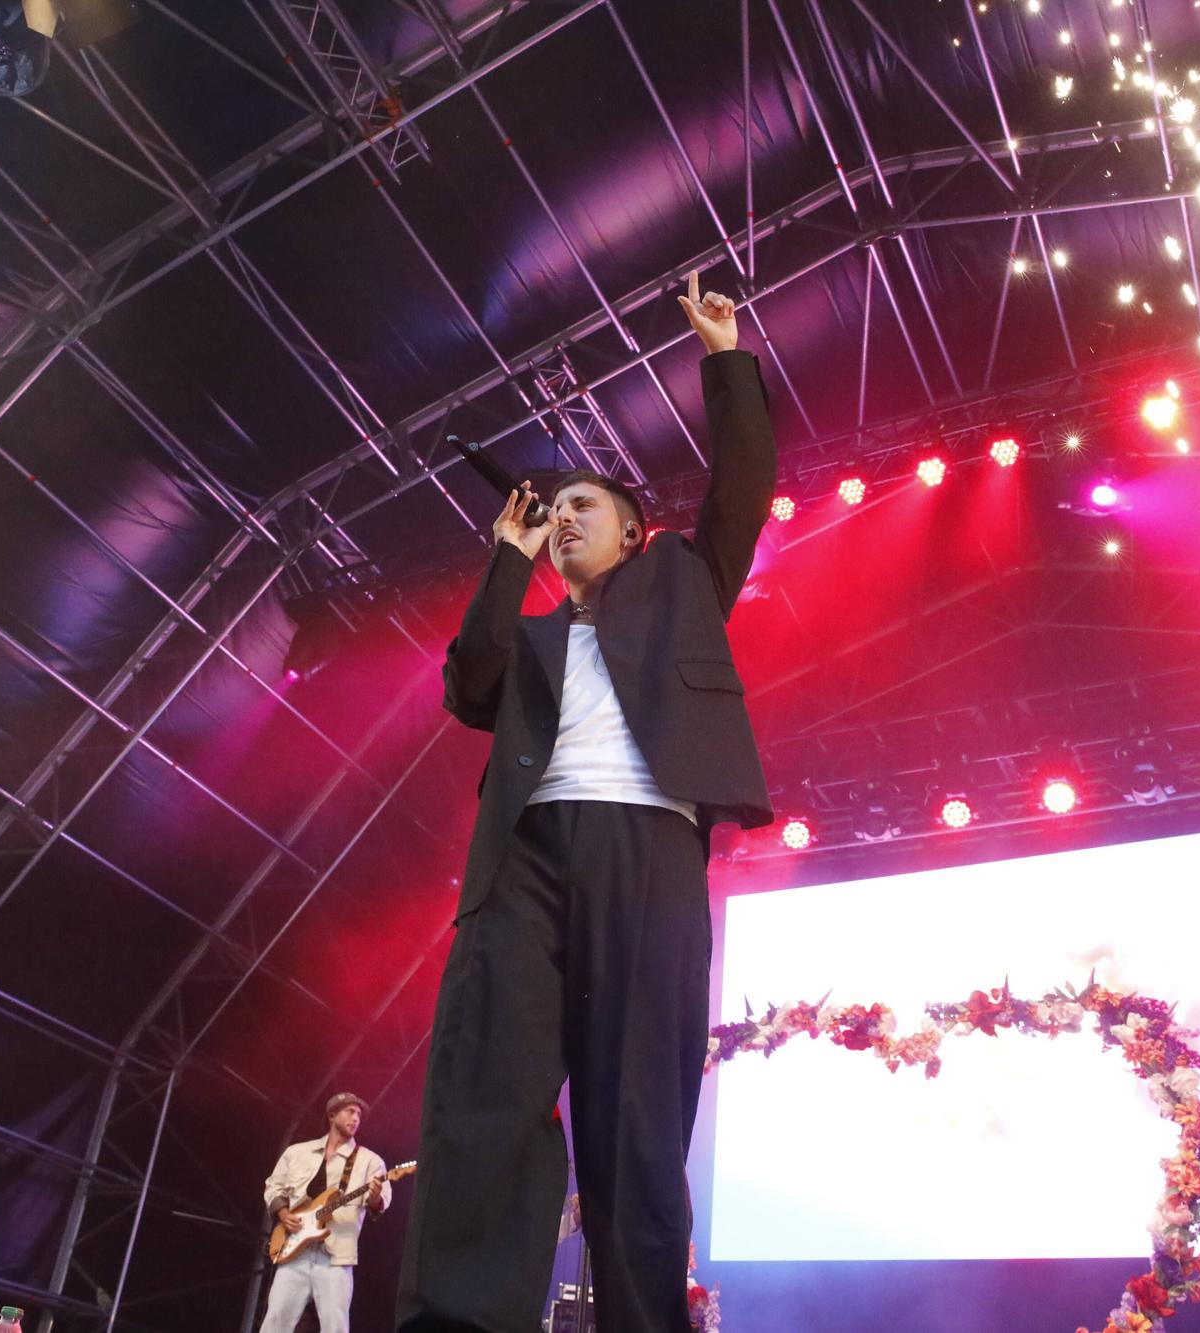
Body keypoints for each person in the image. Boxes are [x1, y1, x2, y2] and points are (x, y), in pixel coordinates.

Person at [397, 274, 775, 1333]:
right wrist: (501, 560)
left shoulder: (683, 583)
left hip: (646, 848)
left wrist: (722, 353)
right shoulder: (532, 637)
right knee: (485, 1102)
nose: (560, 519)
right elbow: (466, 688)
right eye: (549, 512)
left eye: (580, 507)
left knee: (634, 1124)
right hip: (524, 856)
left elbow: (742, 488)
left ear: (632, 530)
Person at [259, 1093, 392, 1333]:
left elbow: (380, 1201)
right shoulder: (297, 1152)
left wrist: (375, 1199)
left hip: (336, 1258)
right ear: (332, 1115)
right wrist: (281, 1212)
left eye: (359, 1114)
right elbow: (273, 1185)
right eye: (350, 1112)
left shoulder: (370, 1161)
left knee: (335, 1326)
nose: (355, 1118)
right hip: (294, 1252)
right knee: (275, 1322)